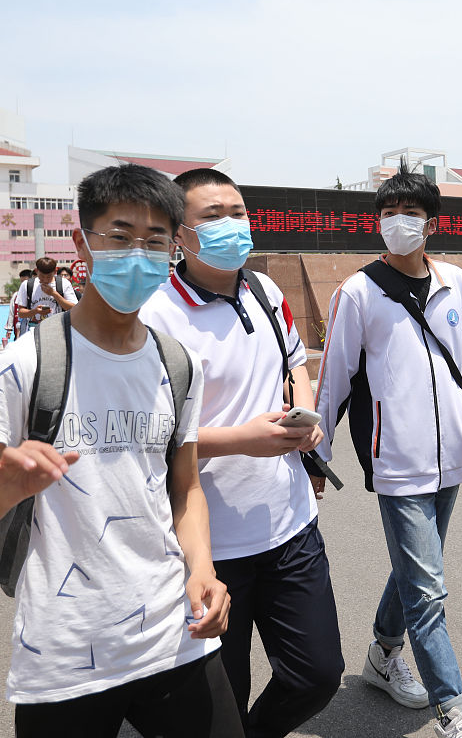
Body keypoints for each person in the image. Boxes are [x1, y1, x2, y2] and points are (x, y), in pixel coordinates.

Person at [0, 164, 242, 738]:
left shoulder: (177, 363)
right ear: (82, 244)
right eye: (119, 237)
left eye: (155, 241)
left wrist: (204, 570)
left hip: (174, 635)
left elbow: (186, 488)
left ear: (174, 249)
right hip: (65, 655)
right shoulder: (23, 366)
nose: (138, 255)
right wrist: (6, 491)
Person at [140, 168, 341, 738]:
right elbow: (147, 437)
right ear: (180, 234)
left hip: (290, 524)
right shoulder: (158, 314)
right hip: (209, 543)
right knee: (222, 694)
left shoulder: (265, 289)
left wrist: (306, 414)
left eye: (237, 212)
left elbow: (294, 364)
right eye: (212, 216)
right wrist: (241, 441)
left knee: (317, 675)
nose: (231, 225)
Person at [314, 164, 462, 738]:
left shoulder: (456, 284)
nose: (400, 222)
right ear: (378, 222)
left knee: (415, 570)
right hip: (397, 462)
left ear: (431, 224)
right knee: (428, 590)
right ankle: (454, 710)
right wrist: (313, 457)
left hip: (454, 457)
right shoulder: (358, 292)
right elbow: (335, 379)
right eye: (390, 212)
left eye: (413, 213)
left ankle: (380, 656)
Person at [14, 257, 77, 328]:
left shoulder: (64, 283)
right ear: (36, 271)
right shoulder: (27, 285)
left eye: (49, 277)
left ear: (55, 271)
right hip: (34, 331)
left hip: (58, 330)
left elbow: (73, 308)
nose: (45, 280)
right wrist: (35, 311)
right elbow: (21, 313)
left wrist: (54, 293)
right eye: (42, 276)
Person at [4, 268, 35, 345]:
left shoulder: (36, 294)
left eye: (25, 281)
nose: (23, 284)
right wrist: (9, 329)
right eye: (21, 282)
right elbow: (11, 312)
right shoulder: (16, 295)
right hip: (19, 329)